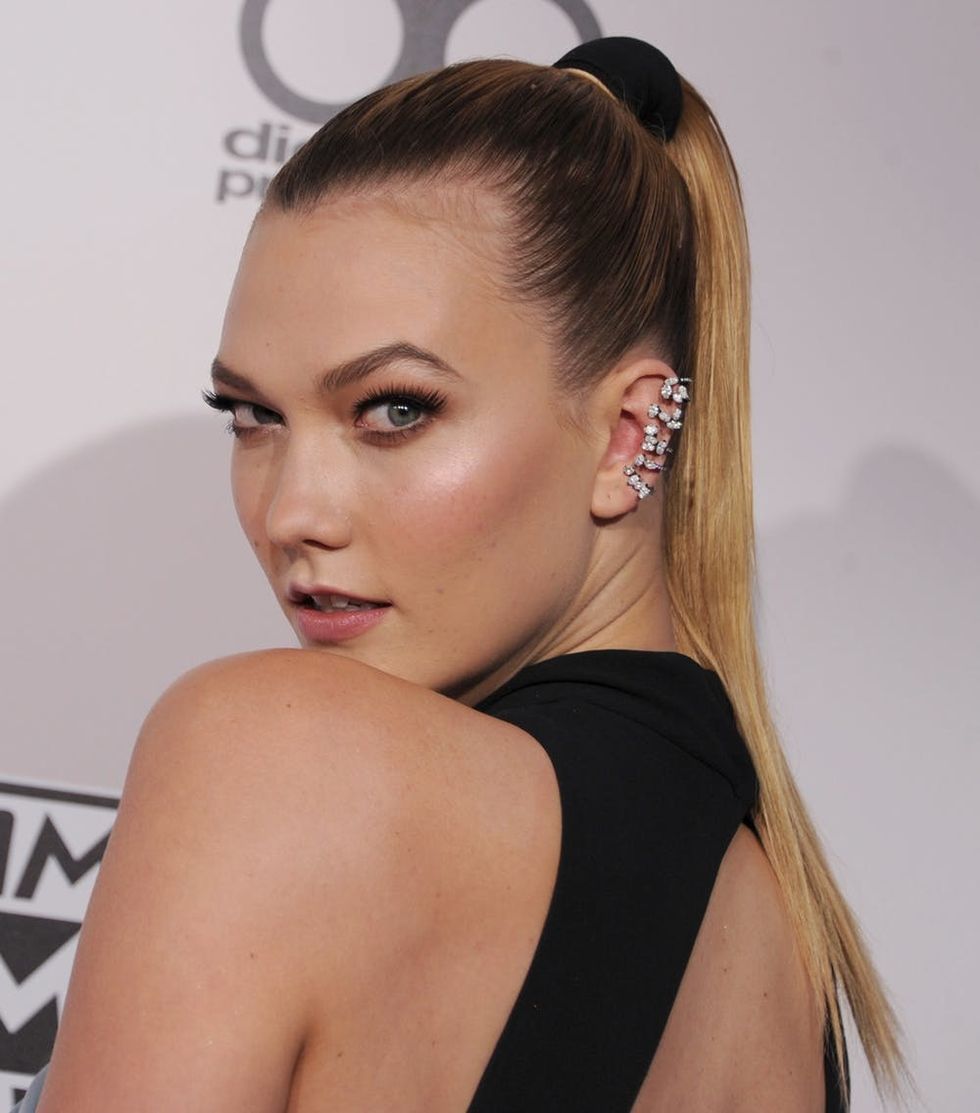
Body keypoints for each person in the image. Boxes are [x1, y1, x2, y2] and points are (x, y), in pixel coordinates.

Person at [12, 35, 911, 1113]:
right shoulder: (784, 950)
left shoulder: (271, 756)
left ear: (626, 437)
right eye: (252, 415)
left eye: (394, 410)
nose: (290, 513)